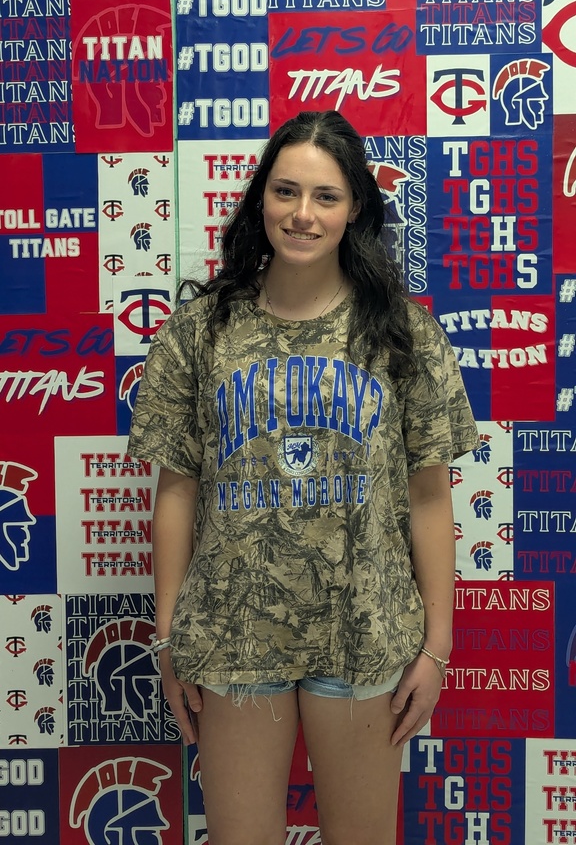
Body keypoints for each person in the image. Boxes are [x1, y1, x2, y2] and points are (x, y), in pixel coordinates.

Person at [128, 110, 478, 845]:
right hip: (231, 636)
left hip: (364, 631)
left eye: (325, 196)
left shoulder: (404, 334)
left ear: (355, 210)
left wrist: (435, 646)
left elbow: (428, 496)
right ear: (261, 199)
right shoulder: (200, 331)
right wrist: (168, 637)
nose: (303, 214)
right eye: (286, 191)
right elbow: (178, 489)